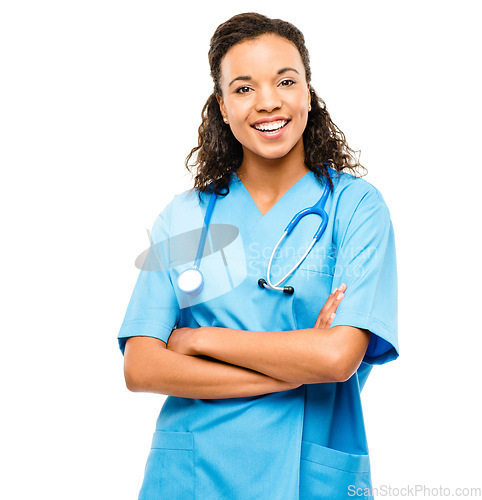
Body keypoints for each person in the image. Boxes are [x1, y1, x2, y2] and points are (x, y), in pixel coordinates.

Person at [118, 12, 398, 500]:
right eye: (244, 88)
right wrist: (296, 365)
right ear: (222, 108)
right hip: (191, 474)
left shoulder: (355, 208)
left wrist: (199, 339)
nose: (268, 101)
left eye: (285, 81)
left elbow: (336, 358)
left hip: (309, 473)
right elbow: (142, 368)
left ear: (308, 93)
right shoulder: (185, 219)